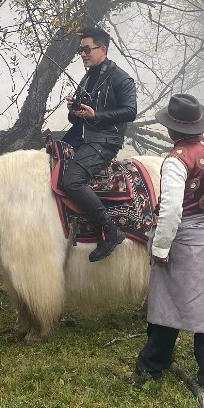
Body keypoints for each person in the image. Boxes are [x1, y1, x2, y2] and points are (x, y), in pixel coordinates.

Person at [135, 93, 204, 391]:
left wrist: (161, 248)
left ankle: (151, 367)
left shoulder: (176, 161)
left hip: (184, 240)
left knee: (169, 305)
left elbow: (171, 209)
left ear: (172, 130)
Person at [61, 26, 137, 262]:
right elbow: (78, 118)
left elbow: (131, 111)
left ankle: (110, 230)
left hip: (105, 141)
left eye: (86, 49)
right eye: (80, 50)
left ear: (102, 49)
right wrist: (74, 110)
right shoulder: (87, 76)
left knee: (71, 181)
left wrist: (97, 116)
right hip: (82, 137)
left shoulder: (121, 78)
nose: (82, 54)